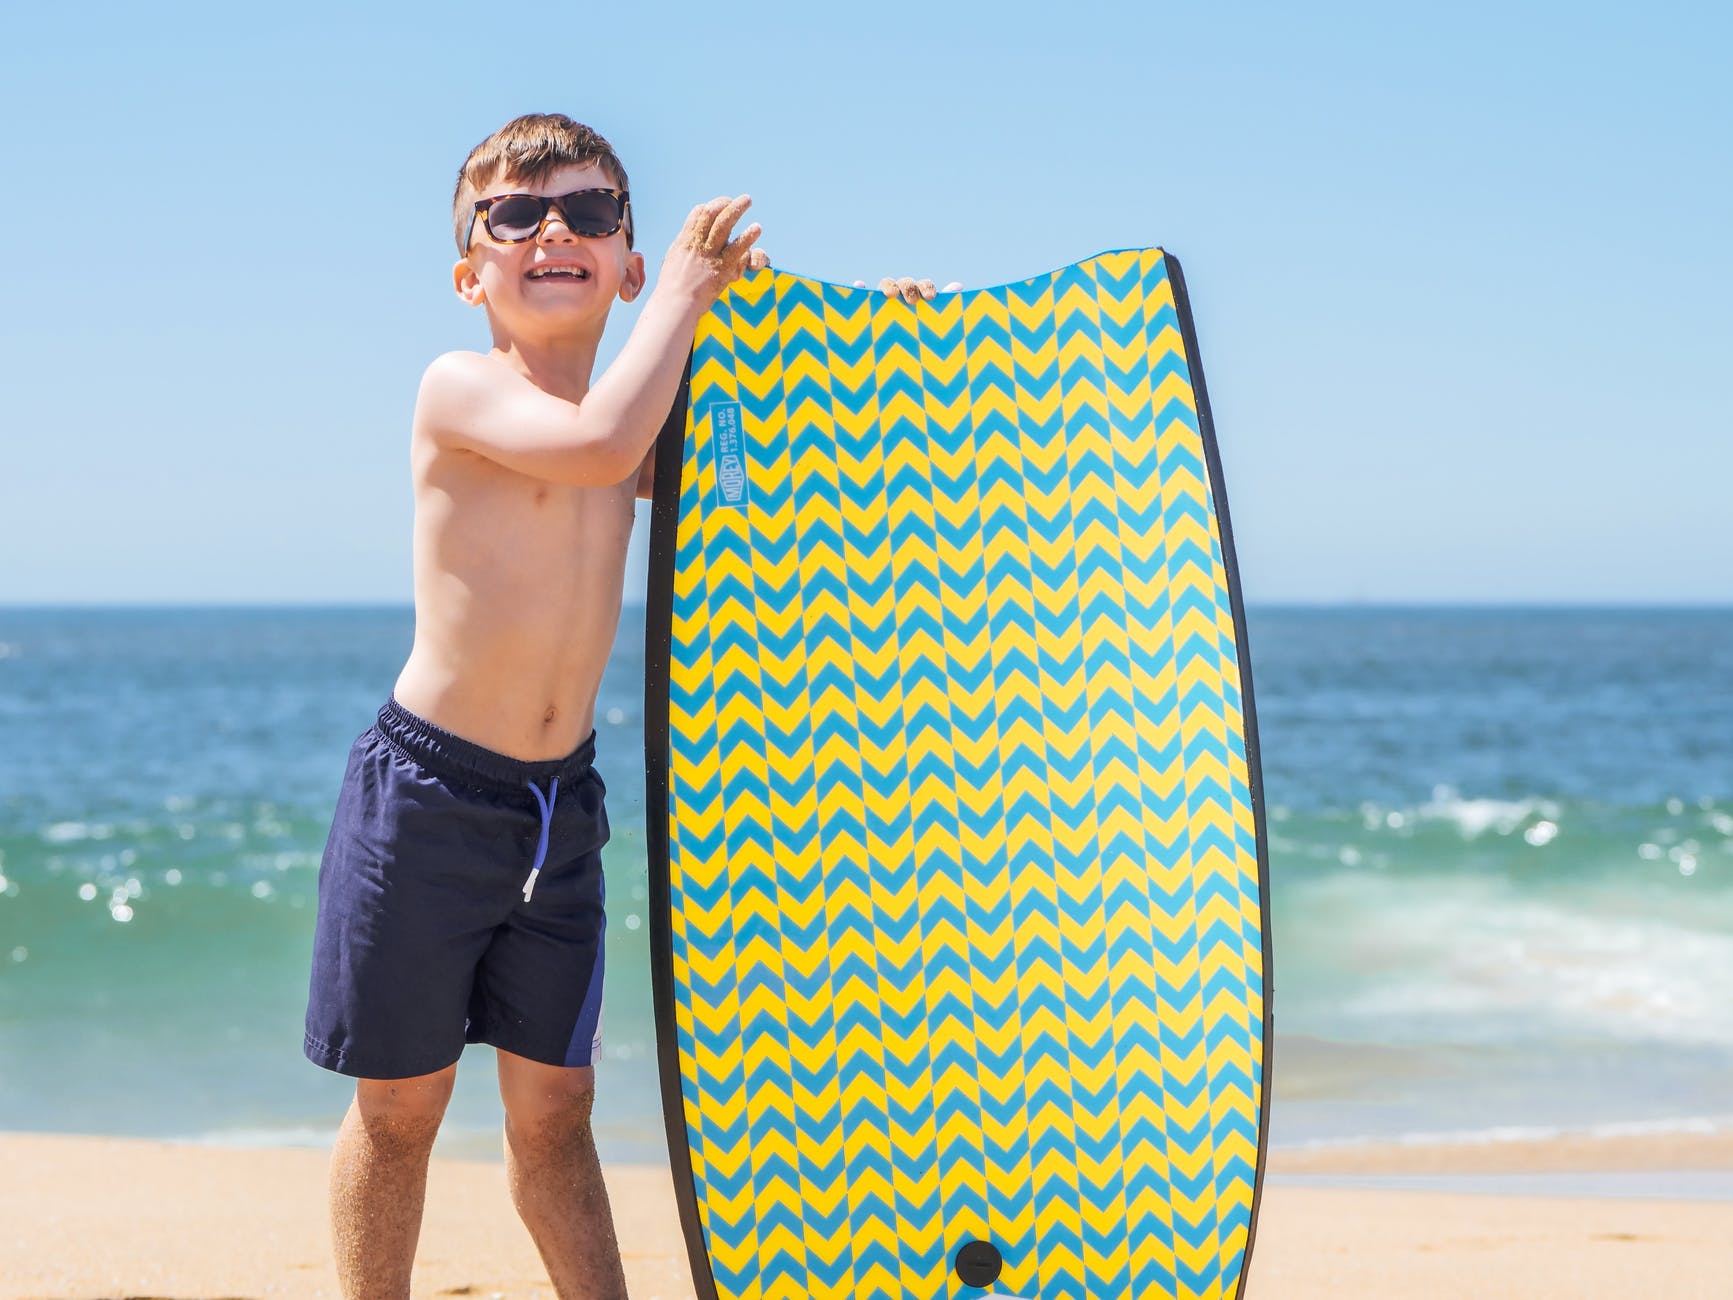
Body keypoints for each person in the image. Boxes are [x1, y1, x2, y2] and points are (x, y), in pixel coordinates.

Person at [302, 112, 951, 1299]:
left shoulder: (644, 416)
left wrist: (874, 342)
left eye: (592, 213)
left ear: (627, 263)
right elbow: (598, 444)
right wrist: (694, 293)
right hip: (430, 793)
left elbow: (789, 452)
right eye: (517, 215)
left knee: (555, 1110)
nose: (556, 231)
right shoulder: (462, 390)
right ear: (470, 271)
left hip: (559, 809)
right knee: (401, 1109)